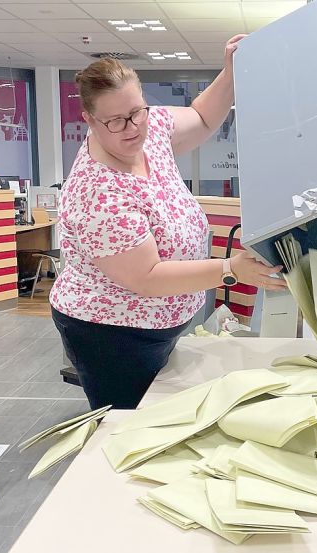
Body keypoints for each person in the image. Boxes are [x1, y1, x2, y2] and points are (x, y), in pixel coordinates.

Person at [49, 35, 286, 410]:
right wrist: (230, 270)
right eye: (115, 121)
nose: (132, 128)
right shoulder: (97, 191)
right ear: (89, 120)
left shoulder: (148, 130)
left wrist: (230, 73)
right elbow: (146, 277)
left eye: (137, 112)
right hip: (112, 332)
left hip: (158, 324)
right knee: (125, 427)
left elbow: (204, 118)